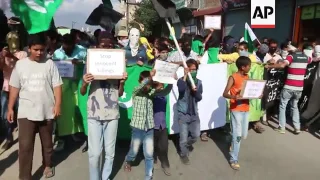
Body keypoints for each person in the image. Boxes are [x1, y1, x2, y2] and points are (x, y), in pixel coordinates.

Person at [8, 33, 62, 179]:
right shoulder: (20, 65)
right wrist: (10, 107)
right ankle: (25, 176)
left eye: (42, 50)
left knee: (48, 145)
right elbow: (14, 88)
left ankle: (47, 165)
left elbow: (57, 86)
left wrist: (57, 105)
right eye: (36, 49)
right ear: (29, 48)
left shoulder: (50, 64)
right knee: (25, 147)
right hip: (26, 112)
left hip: (47, 110)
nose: (39, 53)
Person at [80, 32, 128, 180]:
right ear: (96, 46)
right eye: (103, 45)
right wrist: (85, 82)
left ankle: (106, 177)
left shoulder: (118, 63)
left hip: (112, 114)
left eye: (109, 45)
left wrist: (123, 82)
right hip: (94, 114)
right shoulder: (90, 63)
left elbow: (119, 94)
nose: (107, 48)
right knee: (94, 153)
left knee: (110, 152)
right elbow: (82, 92)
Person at [123, 70, 172, 180]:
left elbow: (165, 91)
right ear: (140, 81)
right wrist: (150, 77)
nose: (147, 84)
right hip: (137, 127)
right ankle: (128, 161)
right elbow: (142, 86)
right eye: (145, 81)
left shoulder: (151, 93)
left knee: (149, 155)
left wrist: (171, 81)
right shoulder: (136, 91)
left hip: (149, 127)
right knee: (134, 151)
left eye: (149, 82)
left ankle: (148, 176)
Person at [265, 44, 312, 134]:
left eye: (288, 48)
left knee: (283, 106)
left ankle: (281, 128)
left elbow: (282, 65)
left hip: (289, 86)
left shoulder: (291, 57)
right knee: (295, 107)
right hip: (299, 88)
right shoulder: (306, 58)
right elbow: (313, 59)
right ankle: (297, 127)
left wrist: (269, 66)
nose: (287, 50)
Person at [53, 33, 86, 151]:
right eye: (65, 46)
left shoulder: (82, 51)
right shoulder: (57, 53)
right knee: (63, 112)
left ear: (74, 43)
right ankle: (61, 138)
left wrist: (80, 62)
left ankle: (81, 134)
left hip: (80, 85)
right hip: (64, 86)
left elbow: (90, 63)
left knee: (79, 110)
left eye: (70, 46)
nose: (67, 48)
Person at [223, 56, 252, 170]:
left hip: (246, 109)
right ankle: (233, 159)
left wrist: (257, 95)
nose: (250, 67)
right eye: (249, 66)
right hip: (236, 109)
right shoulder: (233, 77)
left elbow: (249, 92)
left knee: (243, 135)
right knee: (238, 136)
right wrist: (234, 96)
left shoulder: (247, 77)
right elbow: (225, 93)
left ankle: (232, 141)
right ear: (243, 67)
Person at [0, 33, 27, 151]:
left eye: (15, 39)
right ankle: (9, 137)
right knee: (4, 115)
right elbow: (1, 67)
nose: (12, 41)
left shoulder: (23, 54)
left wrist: (10, 55)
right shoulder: (3, 53)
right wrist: (2, 57)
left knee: (22, 114)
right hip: (6, 88)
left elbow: (22, 66)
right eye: (9, 39)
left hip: (19, 89)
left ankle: (24, 137)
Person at [177, 59, 203, 165]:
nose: (193, 71)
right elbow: (181, 90)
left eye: (195, 69)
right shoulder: (181, 80)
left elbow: (199, 98)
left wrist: (195, 91)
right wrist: (185, 76)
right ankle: (183, 154)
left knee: (196, 135)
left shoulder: (199, 82)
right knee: (183, 137)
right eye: (190, 69)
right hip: (183, 113)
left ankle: (187, 145)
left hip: (194, 113)